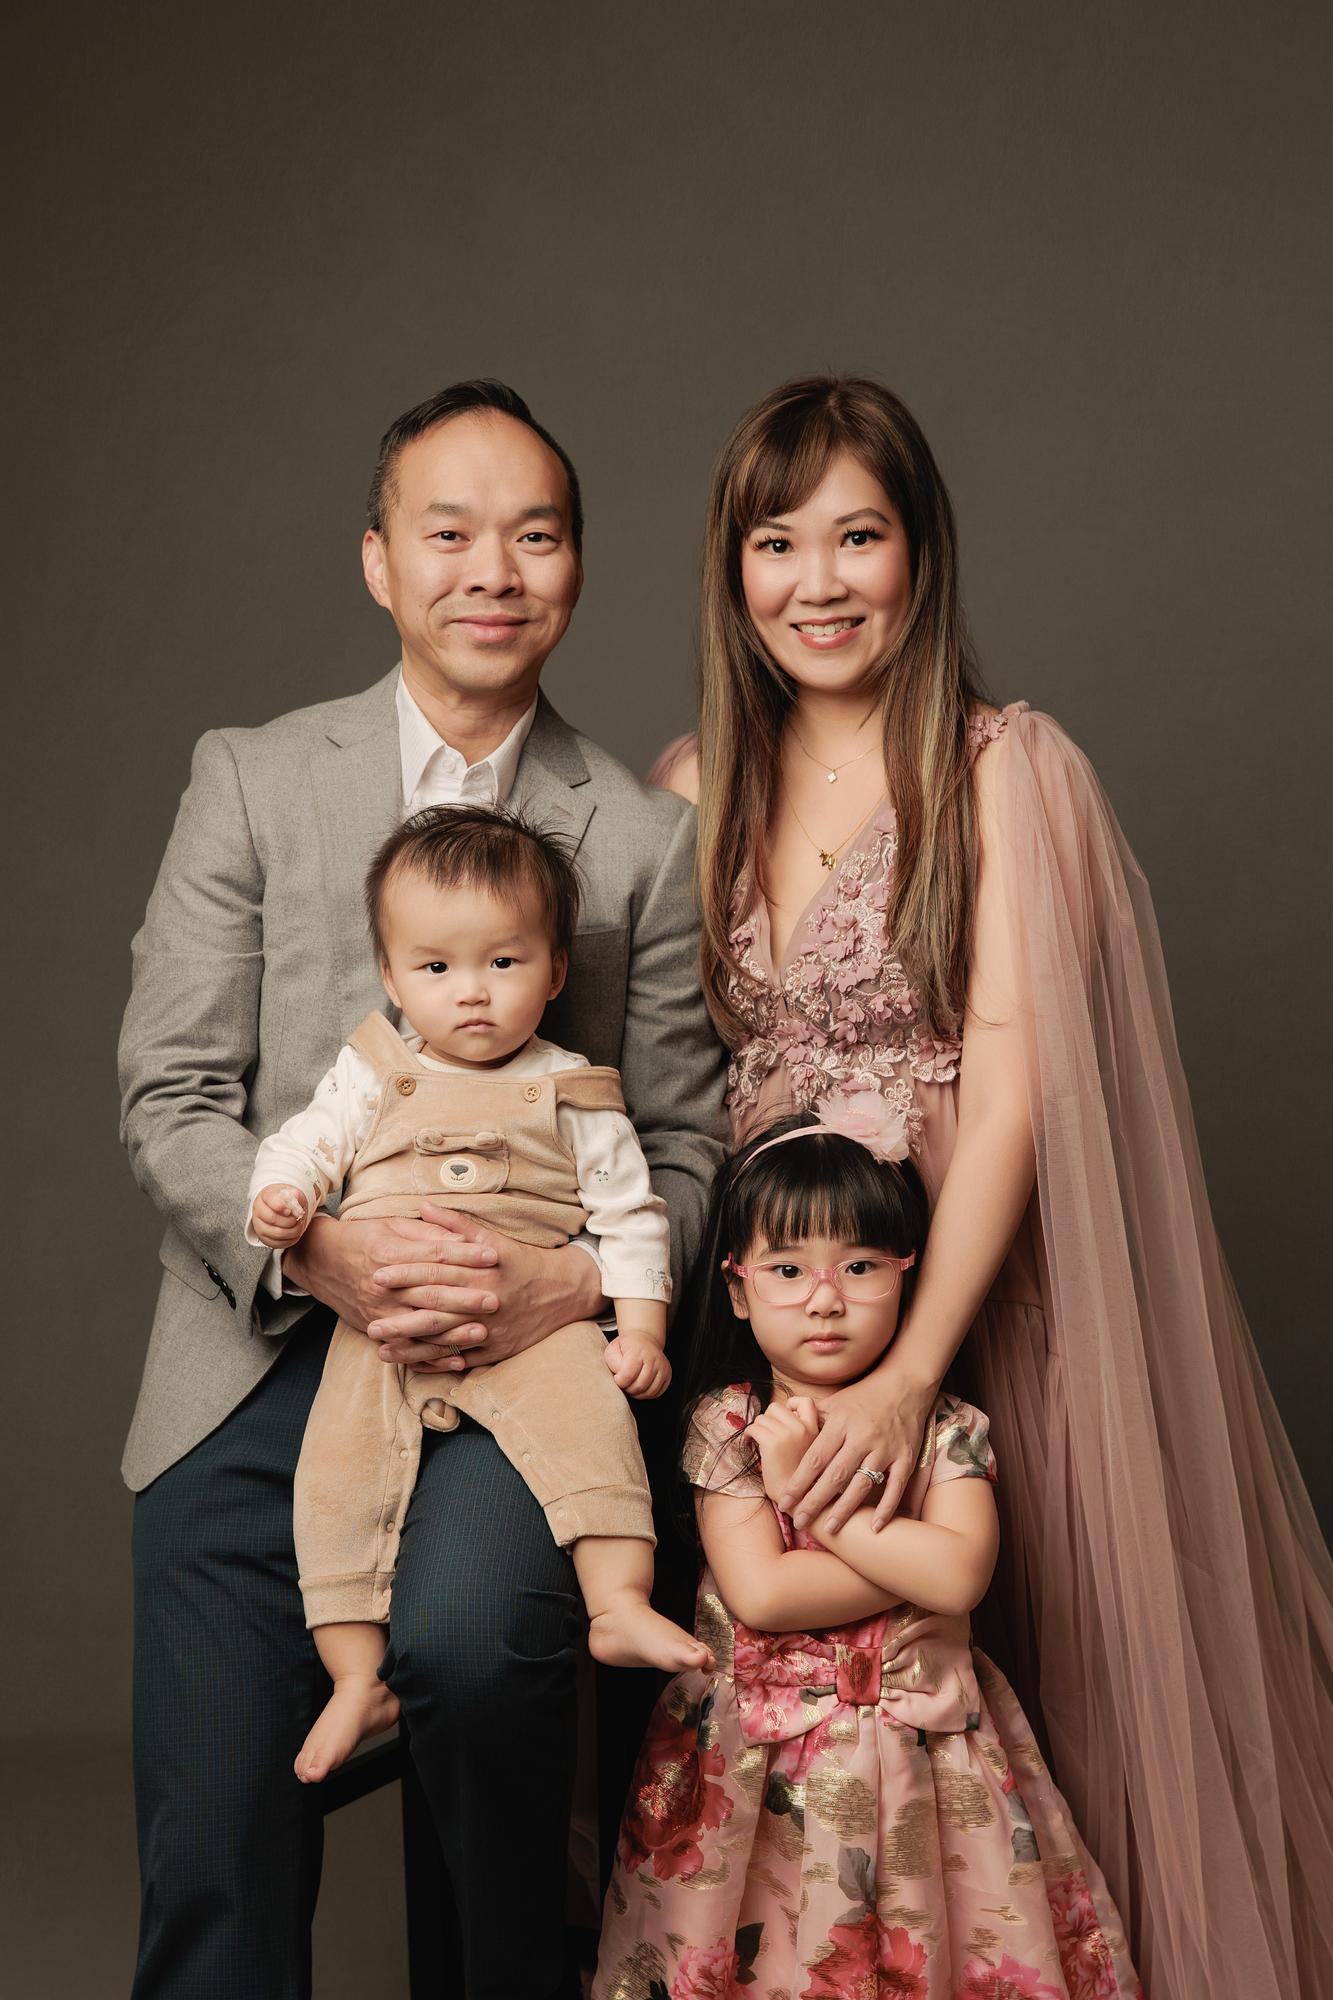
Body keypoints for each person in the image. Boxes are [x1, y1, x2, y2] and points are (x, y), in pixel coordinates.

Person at [653, 375, 1333, 1998]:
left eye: (858, 537)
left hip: (972, 1277)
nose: (817, 582)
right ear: (732, 568)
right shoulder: (690, 785)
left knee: (1041, 1667)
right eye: (776, 542)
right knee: (792, 1700)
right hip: (776, 1295)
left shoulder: (1007, 768)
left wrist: (908, 1375)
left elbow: (1016, 1083)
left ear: (920, 551)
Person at [117, 378, 727, 2000]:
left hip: (510, 1370)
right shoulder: (253, 778)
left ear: (576, 566)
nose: (491, 571)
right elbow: (172, 1094)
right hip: (255, 1357)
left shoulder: (639, 840)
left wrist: (569, 1285)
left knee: (479, 1667)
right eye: (448, 533)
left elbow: (685, 1145)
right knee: (218, 1832)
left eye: (534, 535)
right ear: (379, 561)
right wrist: (320, 1253)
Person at [594, 1109, 1142, 2000]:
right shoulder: (730, 1424)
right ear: (737, 1288)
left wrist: (809, 1495)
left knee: (941, 1950)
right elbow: (765, 1593)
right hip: (754, 1766)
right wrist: (908, 1563)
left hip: (926, 1761)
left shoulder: (943, 1428)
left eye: (859, 1267)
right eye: (787, 1270)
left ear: (905, 1273)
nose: (825, 1299)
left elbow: (959, 1576)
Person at [247, 804, 711, 1783]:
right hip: (386, 1324)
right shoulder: (372, 1070)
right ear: (390, 977)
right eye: (435, 967)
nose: (471, 992)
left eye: (503, 962)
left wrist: (640, 1327)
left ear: (555, 970)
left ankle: (618, 1602)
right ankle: (356, 1673)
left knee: (592, 1429)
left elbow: (630, 1215)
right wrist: (284, 1201)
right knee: (337, 1475)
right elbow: (304, 1145)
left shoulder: (574, 1088)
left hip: (536, 1325)